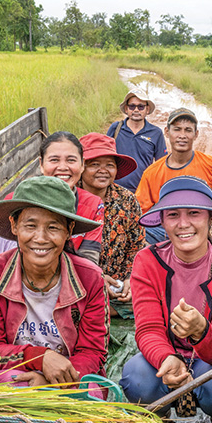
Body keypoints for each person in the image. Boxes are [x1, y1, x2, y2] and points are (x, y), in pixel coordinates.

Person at [120, 176, 212, 423]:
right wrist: (166, 358)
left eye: (194, 213)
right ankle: (161, 421)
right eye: (173, 215)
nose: (183, 223)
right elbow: (148, 329)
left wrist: (201, 330)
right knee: (136, 379)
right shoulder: (147, 261)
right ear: (163, 222)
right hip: (164, 355)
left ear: (210, 220)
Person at [0, 176, 108, 386]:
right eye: (30, 226)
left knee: (90, 390)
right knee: (14, 386)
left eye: (53, 227)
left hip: (72, 378)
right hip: (19, 374)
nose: (41, 238)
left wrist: (51, 380)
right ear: (14, 225)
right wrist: (39, 358)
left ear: (69, 230)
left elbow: (93, 353)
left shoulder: (90, 278)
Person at [135, 108, 212, 244]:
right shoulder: (152, 172)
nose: (182, 135)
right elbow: (140, 210)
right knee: (140, 231)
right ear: (167, 132)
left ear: (196, 134)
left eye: (188, 130)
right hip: (169, 231)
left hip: (202, 229)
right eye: (177, 129)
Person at [78, 132, 145, 315]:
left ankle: (107, 307)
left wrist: (131, 279)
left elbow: (137, 245)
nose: (103, 170)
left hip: (119, 286)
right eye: (94, 164)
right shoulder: (69, 199)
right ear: (81, 167)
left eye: (109, 165)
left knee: (155, 299)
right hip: (79, 281)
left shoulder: (127, 200)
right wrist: (97, 277)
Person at [34, 131, 105, 265]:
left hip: (75, 278)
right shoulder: (18, 201)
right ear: (41, 164)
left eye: (71, 160)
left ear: (82, 164)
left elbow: (89, 259)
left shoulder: (93, 204)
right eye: (54, 160)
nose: (62, 167)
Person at [107, 91, 167, 192]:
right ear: (126, 109)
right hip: (115, 189)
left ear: (147, 109)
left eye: (140, 107)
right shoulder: (116, 128)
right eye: (132, 106)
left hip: (142, 191)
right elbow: (104, 155)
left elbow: (161, 165)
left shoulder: (156, 133)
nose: (136, 110)